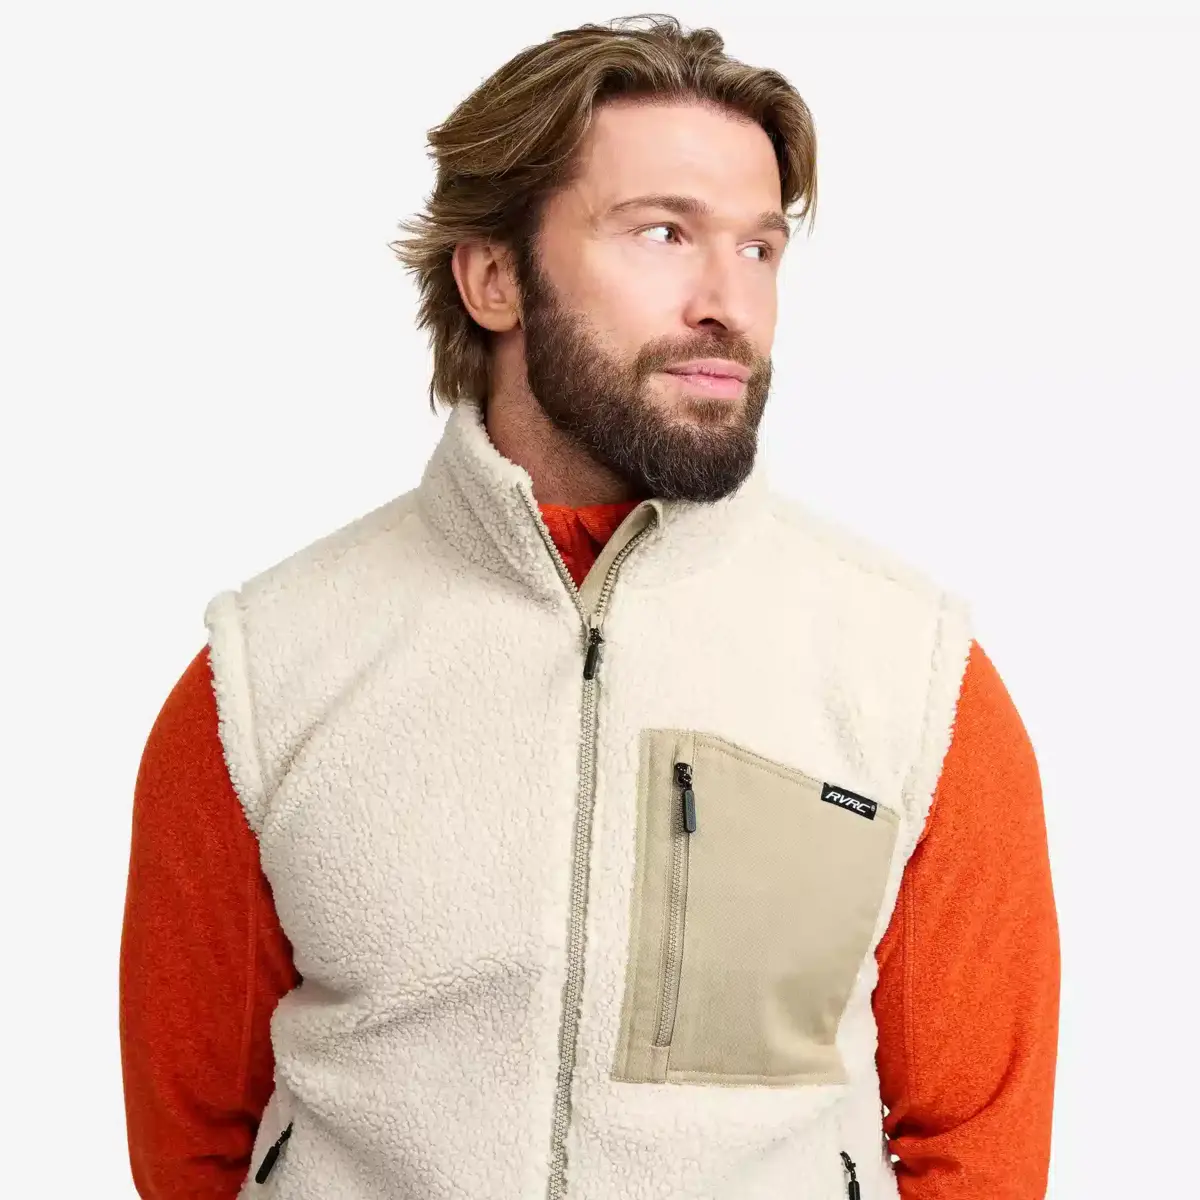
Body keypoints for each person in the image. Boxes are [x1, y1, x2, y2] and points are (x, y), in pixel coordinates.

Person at [119, 14, 1059, 1199]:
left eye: (759, 248)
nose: (728, 302)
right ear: (495, 278)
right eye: (663, 232)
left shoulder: (910, 676)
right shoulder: (266, 676)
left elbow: (980, 1146)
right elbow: (193, 1143)